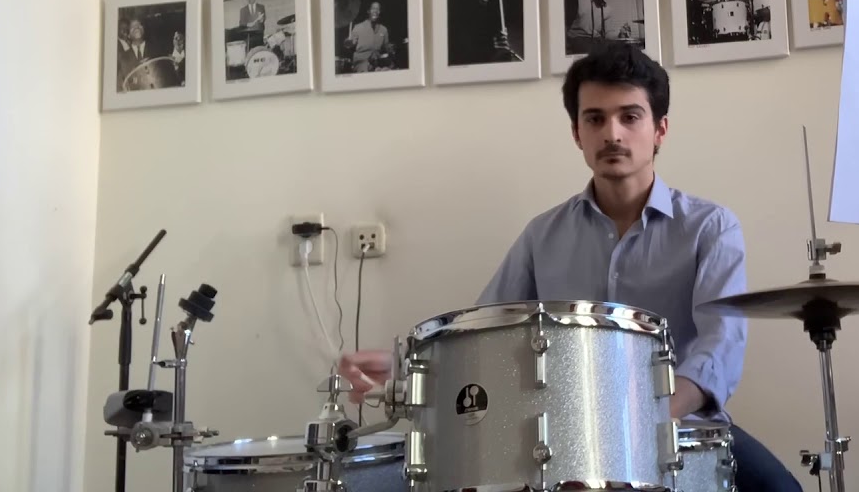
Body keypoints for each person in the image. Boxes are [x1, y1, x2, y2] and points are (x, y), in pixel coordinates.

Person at [340, 43, 804, 492]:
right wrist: (410, 367)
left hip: (679, 430)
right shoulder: (542, 235)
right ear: (577, 134)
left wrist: (647, 419)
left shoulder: (710, 227)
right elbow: (482, 340)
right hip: (562, 442)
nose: (612, 134)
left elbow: (720, 346)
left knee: (781, 488)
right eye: (595, 119)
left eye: (630, 117)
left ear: (660, 129)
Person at [344, 1, 391, 72]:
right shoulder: (358, 27)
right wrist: (348, 43)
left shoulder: (384, 29)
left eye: (378, 9)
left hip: (377, 63)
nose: (375, 11)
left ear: (380, 12)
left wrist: (390, 48)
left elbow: (386, 48)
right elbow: (350, 43)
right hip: (361, 63)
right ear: (368, 11)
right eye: (373, 8)